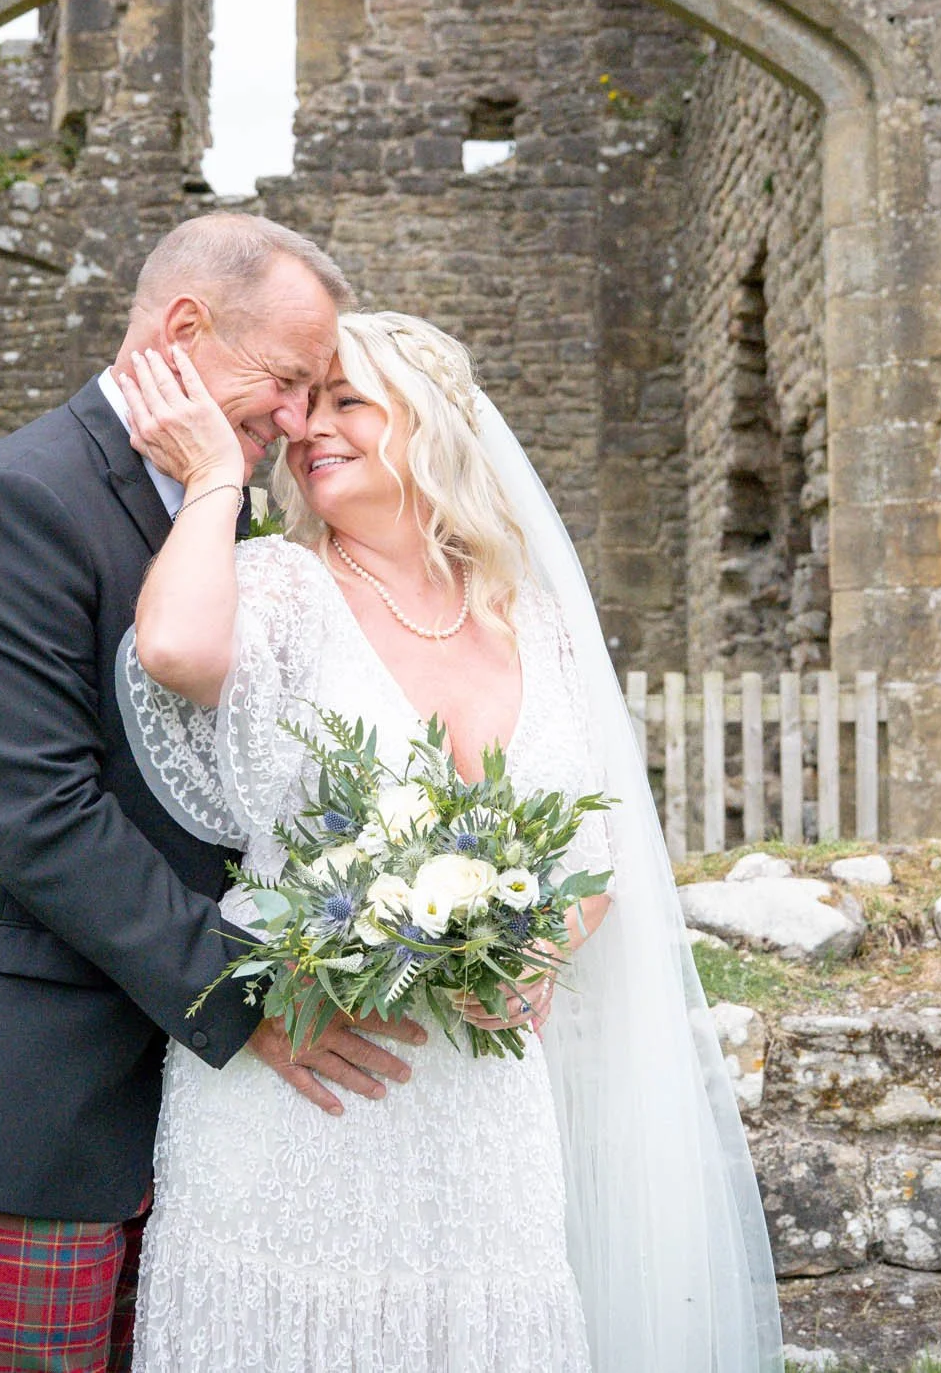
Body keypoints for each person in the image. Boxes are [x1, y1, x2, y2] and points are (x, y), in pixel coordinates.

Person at [114, 311, 785, 1372]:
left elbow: (599, 844)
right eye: (305, 404)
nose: (308, 427)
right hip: (303, 1077)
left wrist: (540, 947)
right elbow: (172, 647)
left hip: (482, 1098)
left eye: (347, 401)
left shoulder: (536, 621)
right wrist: (213, 482)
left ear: (430, 424)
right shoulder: (282, 585)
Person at [0, 214, 427, 1373]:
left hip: (173, 1098)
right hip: (20, 1088)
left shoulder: (217, 503)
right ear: (186, 328)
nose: (296, 420)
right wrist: (251, 1000)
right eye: (286, 380)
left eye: (316, 394)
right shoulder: (18, 499)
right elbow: (34, 814)